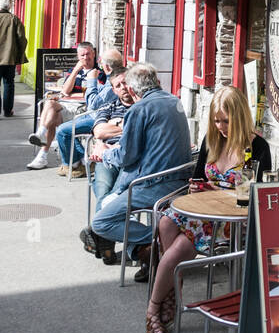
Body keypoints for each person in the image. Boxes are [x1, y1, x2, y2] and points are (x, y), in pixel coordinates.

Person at [145, 85, 271, 333]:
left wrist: (218, 190)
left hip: (230, 219)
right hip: (202, 209)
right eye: (216, 120)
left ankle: (154, 308)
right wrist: (198, 186)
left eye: (226, 120)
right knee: (166, 222)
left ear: (239, 116)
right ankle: (173, 291)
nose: (221, 126)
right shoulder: (212, 140)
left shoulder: (257, 147)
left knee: (176, 251)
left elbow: (255, 194)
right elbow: (198, 177)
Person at [81, 62, 192, 266]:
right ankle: (143, 252)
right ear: (157, 82)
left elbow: (126, 157)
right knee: (108, 198)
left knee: (101, 221)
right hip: (179, 180)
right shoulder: (173, 100)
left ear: (132, 90)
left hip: (154, 183)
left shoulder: (139, 109)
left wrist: (105, 154)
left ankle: (163, 240)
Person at [27, 42, 100, 169]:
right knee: (50, 104)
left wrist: (71, 95)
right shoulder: (75, 71)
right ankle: (41, 136)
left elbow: (92, 97)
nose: (85, 58)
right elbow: (65, 91)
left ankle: (42, 154)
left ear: (93, 54)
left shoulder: (99, 72)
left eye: (88, 54)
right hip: (68, 106)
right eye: (82, 55)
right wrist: (76, 71)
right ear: (78, 57)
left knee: (53, 115)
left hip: (85, 110)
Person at [54, 47, 125, 177]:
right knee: (65, 127)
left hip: (102, 119)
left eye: (102, 62)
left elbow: (93, 104)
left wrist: (92, 80)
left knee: (62, 131)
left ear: (107, 67)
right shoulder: (112, 77)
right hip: (96, 114)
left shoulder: (115, 82)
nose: (100, 63)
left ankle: (73, 165)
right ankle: (81, 161)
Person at [83, 68, 137, 216]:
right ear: (113, 90)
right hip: (107, 156)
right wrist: (126, 126)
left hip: (132, 158)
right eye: (118, 86)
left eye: (125, 83)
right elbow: (99, 132)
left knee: (114, 194)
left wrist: (113, 126)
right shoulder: (108, 107)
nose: (123, 88)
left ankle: (98, 232)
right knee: (103, 191)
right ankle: (105, 230)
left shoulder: (141, 106)